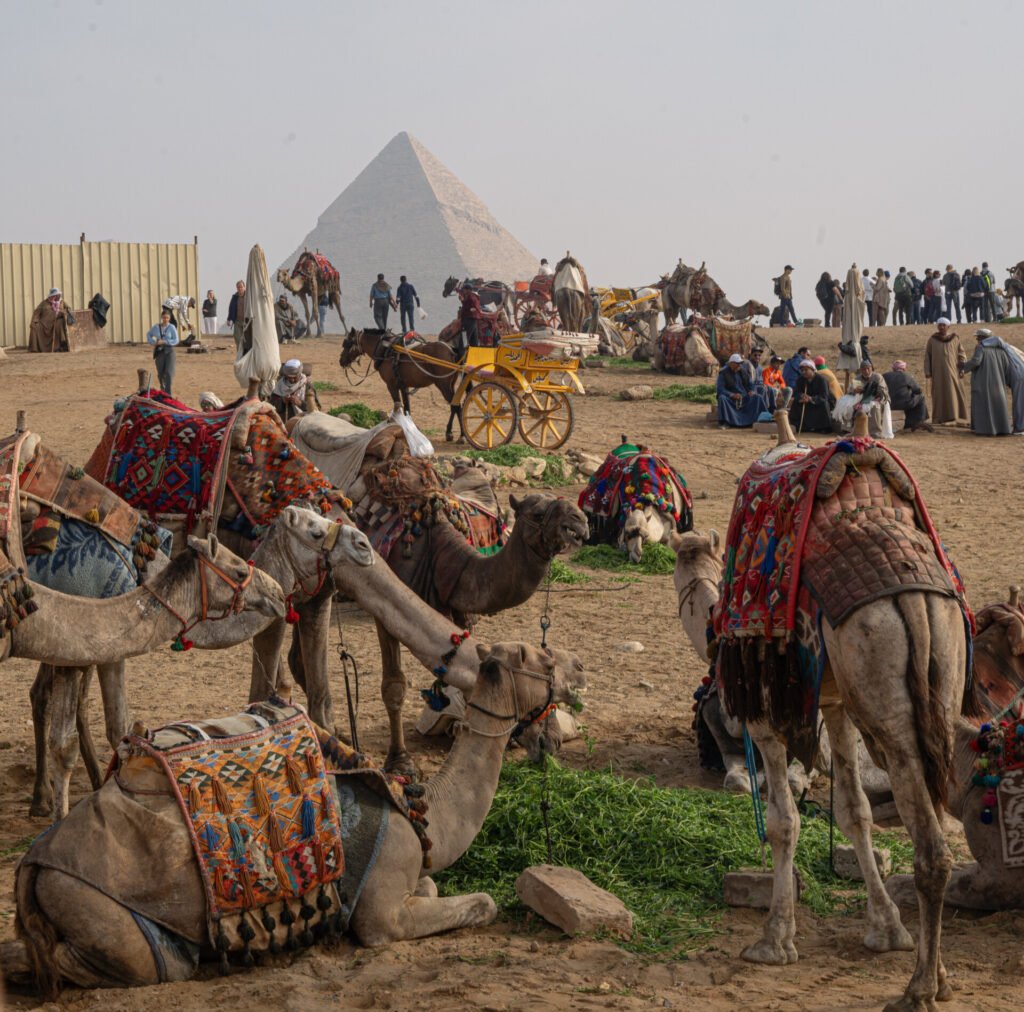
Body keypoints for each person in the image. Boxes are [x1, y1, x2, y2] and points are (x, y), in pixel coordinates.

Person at [960, 329, 1012, 435]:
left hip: (983, 381)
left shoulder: (981, 348)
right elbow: (1007, 365)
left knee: (983, 404)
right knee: (998, 404)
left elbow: (976, 361)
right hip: (998, 382)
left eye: (978, 337)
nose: (977, 339)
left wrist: (964, 367)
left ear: (984, 338)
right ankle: (1002, 429)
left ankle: (984, 429)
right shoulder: (1001, 349)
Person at [923, 318, 967, 423]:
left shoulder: (955, 338)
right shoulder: (932, 339)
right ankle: (939, 417)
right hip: (937, 373)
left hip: (953, 372)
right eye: (939, 325)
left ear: (948, 327)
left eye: (943, 325)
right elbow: (927, 357)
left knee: (952, 393)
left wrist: (962, 369)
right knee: (939, 394)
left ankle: (954, 416)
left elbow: (962, 355)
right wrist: (928, 372)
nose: (941, 327)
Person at [833, 360, 893, 438]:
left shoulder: (877, 377)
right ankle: (849, 430)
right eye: (864, 369)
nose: (866, 371)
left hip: (878, 398)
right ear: (861, 370)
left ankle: (875, 432)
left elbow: (882, 391)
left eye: (868, 368)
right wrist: (854, 391)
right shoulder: (858, 378)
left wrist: (873, 393)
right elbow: (851, 391)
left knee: (874, 406)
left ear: (871, 368)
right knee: (846, 405)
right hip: (862, 399)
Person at [716, 353, 775, 428]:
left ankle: (764, 419)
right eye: (738, 363)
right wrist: (732, 395)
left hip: (743, 397)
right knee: (722, 398)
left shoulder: (742, 371)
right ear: (732, 363)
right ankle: (726, 422)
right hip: (731, 399)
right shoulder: (723, 373)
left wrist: (752, 391)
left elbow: (750, 384)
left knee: (757, 398)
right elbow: (720, 389)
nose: (739, 365)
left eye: (740, 363)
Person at [789, 358, 835, 434]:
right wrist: (801, 396)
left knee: (823, 404)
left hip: (819, 400)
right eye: (802, 370)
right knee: (795, 403)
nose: (803, 372)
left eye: (806, 370)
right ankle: (800, 426)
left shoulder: (821, 380)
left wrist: (811, 399)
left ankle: (823, 427)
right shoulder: (800, 379)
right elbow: (796, 392)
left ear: (812, 369)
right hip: (805, 401)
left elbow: (824, 395)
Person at [883, 360, 931, 431]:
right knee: (921, 397)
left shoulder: (885, 376)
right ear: (904, 369)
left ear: (893, 368)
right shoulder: (906, 376)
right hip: (904, 403)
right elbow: (918, 390)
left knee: (911, 399)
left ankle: (911, 423)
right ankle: (920, 421)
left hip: (888, 404)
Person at [837, 264, 864, 390]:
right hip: (854, 342)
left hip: (848, 339)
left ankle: (850, 389)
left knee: (850, 372)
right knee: (857, 371)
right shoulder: (858, 299)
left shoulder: (847, 298)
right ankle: (855, 389)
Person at [269, 358, 319, 422]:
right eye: (289, 377)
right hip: (282, 423)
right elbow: (271, 406)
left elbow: (317, 409)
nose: (292, 380)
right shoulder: (279, 386)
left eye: (295, 377)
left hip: (303, 423)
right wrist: (282, 401)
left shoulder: (307, 386)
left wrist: (301, 403)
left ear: (299, 374)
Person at [146, 308, 179, 395]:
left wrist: (166, 341)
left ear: (169, 318)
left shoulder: (172, 327)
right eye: (164, 317)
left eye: (167, 318)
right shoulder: (156, 327)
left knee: (169, 372)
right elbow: (148, 334)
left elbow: (176, 340)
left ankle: (168, 393)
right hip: (159, 351)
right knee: (160, 372)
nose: (165, 320)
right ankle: (163, 388)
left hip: (169, 351)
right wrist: (153, 342)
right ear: (161, 317)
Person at [27, 287, 71, 353]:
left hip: (56, 322)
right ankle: (34, 348)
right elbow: (36, 312)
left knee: (59, 324)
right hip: (44, 323)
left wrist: (63, 312)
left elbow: (69, 310)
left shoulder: (62, 302)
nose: (58, 296)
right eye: (56, 295)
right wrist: (34, 320)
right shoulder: (44, 303)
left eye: (58, 295)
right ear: (52, 296)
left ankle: (59, 347)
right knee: (34, 327)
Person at [458, 285, 483, 351]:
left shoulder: (470, 297)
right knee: (474, 342)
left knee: (463, 342)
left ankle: (462, 359)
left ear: (468, 290)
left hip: (467, 321)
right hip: (473, 322)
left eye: (464, 289)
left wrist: (462, 300)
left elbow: (469, 308)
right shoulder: (475, 296)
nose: (463, 291)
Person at [227, 280, 246, 355]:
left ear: (244, 287)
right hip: (237, 321)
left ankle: (246, 354)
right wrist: (229, 319)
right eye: (238, 287)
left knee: (247, 340)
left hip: (247, 322)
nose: (240, 288)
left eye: (241, 287)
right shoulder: (234, 297)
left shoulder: (249, 296)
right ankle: (240, 354)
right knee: (237, 338)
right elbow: (231, 308)